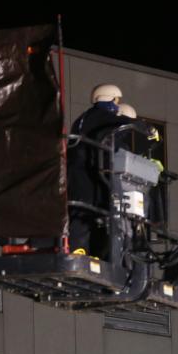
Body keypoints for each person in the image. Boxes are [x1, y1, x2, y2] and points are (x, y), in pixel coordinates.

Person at [67, 84, 127, 255]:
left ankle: (92, 250)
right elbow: (118, 124)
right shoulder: (97, 115)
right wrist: (144, 127)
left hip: (86, 170)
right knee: (82, 210)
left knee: (92, 212)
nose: (117, 106)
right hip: (83, 170)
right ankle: (78, 249)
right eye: (116, 101)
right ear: (109, 98)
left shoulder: (87, 118)